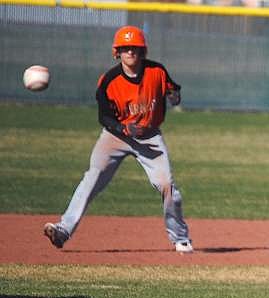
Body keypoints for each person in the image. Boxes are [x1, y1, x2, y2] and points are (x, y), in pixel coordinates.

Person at [43, 26, 193, 253]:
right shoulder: (108, 81)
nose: (130, 52)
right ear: (117, 52)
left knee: (167, 187)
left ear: (142, 51)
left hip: (150, 138)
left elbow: (173, 89)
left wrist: (174, 96)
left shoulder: (157, 71)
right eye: (125, 48)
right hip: (115, 137)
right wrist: (123, 128)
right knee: (92, 179)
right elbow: (103, 116)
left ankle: (180, 238)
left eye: (134, 48)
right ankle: (63, 230)